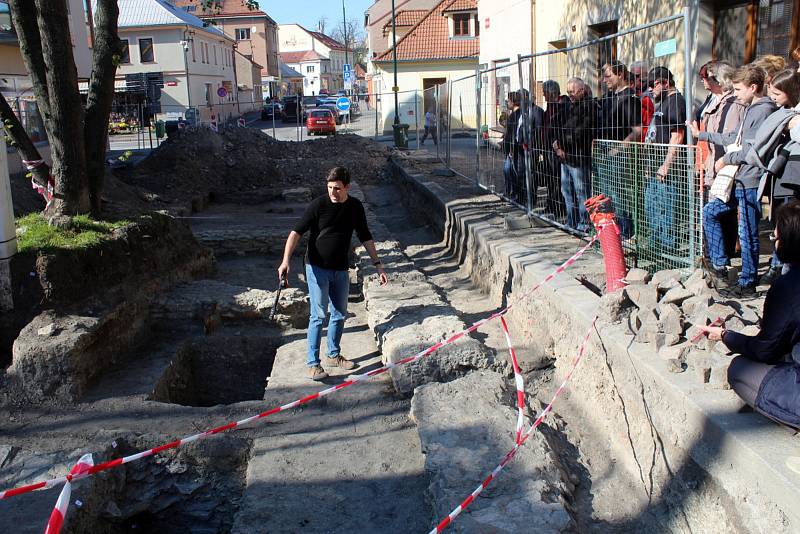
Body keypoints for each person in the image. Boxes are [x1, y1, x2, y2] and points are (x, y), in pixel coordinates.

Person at [278, 167, 388, 381]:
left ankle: (334, 354)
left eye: (337, 188)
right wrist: (285, 261)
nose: (332, 192)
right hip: (316, 267)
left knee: (339, 313)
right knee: (318, 315)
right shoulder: (319, 205)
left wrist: (378, 265)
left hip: (340, 268)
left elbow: (365, 236)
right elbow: (296, 232)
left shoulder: (355, 207)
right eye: (329, 188)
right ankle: (313, 364)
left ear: (347, 187)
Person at [699, 200, 800, 429]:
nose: (774, 242)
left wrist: (726, 335)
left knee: (738, 369)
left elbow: (766, 350)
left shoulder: (787, 286)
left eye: (775, 238)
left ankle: (788, 415)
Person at [698, 64, 778, 297]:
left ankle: (748, 282)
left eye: (739, 89)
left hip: (749, 177)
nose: (735, 93)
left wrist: (727, 159)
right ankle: (720, 265)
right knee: (710, 212)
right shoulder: (750, 107)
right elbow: (735, 137)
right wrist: (702, 135)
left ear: (753, 87)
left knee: (748, 232)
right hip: (739, 177)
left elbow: (753, 149)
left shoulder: (762, 110)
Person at [642, 66, 687, 251]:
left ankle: (666, 248)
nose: (650, 90)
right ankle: (656, 245)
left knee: (666, 209)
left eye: (653, 85)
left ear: (666, 83)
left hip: (665, 169)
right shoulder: (663, 102)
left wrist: (666, 164)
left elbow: (677, 135)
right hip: (653, 166)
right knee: (651, 207)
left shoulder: (676, 102)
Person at [598, 62, 643, 237]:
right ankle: (612, 233)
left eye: (608, 76)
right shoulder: (608, 97)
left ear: (621, 74)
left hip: (620, 157)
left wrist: (617, 149)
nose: (604, 80)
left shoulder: (630, 99)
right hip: (604, 155)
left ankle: (626, 233)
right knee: (607, 196)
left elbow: (637, 131)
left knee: (620, 197)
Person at [553, 77, 597, 231]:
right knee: (566, 191)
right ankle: (571, 221)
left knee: (581, 191)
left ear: (582, 90)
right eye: (568, 92)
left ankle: (584, 223)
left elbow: (579, 133)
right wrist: (557, 146)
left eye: (572, 91)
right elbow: (558, 127)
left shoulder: (589, 107)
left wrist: (561, 146)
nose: (570, 95)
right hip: (564, 157)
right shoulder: (568, 107)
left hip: (578, 157)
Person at [539, 80, 570, 215]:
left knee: (558, 180)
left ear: (552, 93)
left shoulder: (562, 105)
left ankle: (559, 207)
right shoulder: (550, 107)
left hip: (557, 149)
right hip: (548, 149)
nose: (544, 96)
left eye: (545, 93)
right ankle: (551, 204)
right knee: (551, 179)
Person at [502, 90, 523, 201]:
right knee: (507, 170)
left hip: (512, 148)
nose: (507, 103)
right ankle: (510, 192)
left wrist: (511, 148)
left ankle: (514, 192)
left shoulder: (517, 115)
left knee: (511, 171)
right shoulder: (512, 115)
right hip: (509, 147)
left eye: (508, 101)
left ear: (513, 102)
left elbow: (514, 133)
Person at [630, 60, 656, 141]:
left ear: (645, 75)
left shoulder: (653, 92)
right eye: (632, 76)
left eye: (637, 76)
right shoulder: (632, 92)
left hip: (649, 139)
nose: (634, 79)